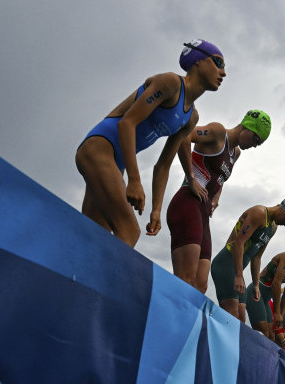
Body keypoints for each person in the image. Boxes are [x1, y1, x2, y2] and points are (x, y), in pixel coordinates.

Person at [75, 40, 225, 248]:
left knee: (92, 238)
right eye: (218, 62)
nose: (223, 72)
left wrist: (157, 209)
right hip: (99, 148)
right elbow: (127, 124)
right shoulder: (171, 84)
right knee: (129, 230)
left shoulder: (191, 118)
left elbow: (163, 165)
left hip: (114, 163)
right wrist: (134, 180)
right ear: (197, 61)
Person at [166, 110, 272, 292]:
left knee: (200, 285)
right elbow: (183, 136)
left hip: (203, 212)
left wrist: (216, 197)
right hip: (187, 203)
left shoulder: (235, 153)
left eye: (259, 144)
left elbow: (220, 177)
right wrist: (191, 179)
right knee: (186, 279)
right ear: (248, 127)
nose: (255, 146)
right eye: (256, 140)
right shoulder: (218, 132)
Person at [211, 194, 285, 320]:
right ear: (283, 209)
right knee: (231, 316)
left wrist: (255, 285)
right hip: (225, 266)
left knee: (241, 318)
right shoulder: (259, 213)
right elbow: (239, 242)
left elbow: (257, 257)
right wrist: (239, 275)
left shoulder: (273, 227)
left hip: (236, 271)